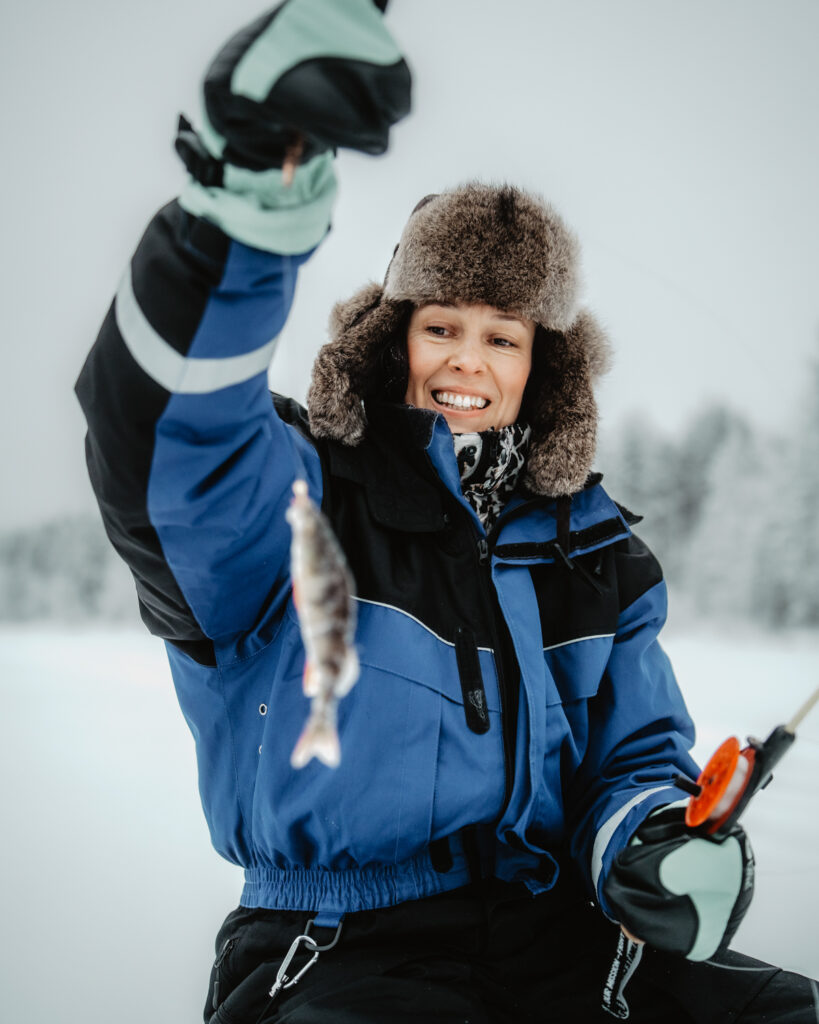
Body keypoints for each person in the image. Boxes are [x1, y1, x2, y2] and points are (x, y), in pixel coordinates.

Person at [75, 2, 817, 1020]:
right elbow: (166, 433)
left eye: (504, 336)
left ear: (543, 363)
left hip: (556, 934)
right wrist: (249, 204)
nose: (470, 358)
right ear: (395, 338)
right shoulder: (304, 500)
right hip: (340, 947)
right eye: (442, 325)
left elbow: (636, 756)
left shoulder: (598, 553)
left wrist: (650, 840)